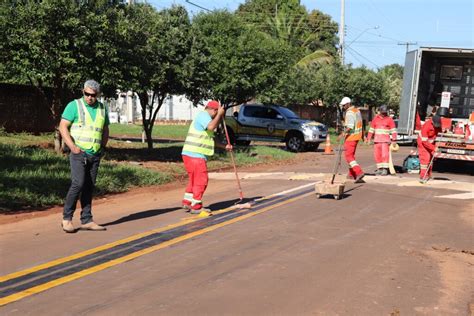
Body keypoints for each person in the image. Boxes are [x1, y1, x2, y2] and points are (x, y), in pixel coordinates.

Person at [59, 80, 109, 233]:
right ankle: (66, 218)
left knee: (89, 186)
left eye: (93, 95)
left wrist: (102, 146)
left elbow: (105, 129)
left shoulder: (102, 108)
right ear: (83, 92)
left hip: (94, 154)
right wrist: (72, 147)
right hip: (79, 153)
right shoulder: (74, 105)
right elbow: (62, 126)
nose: (89, 98)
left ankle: (87, 219)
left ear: (98, 95)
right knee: (78, 184)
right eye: (86, 94)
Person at [181, 100, 232, 215]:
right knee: (201, 180)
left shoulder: (206, 119)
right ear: (214, 110)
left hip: (191, 154)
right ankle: (196, 206)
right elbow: (211, 127)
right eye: (217, 112)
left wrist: (225, 146)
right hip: (195, 155)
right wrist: (220, 114)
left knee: (194, 179)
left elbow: (212, 139)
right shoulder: (204, 116)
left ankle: (187, 201)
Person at [366, 105, 397, 176]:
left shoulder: (389, 119)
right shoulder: (375, 119)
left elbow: (393, 131)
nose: (384, 114)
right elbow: (371, 130)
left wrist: (394, 140)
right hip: (377, 141)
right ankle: (380, 169)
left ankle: (385, 169)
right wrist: (368, 139)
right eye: (383, 112)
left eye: (385, 112)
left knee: (385, 155)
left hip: (385, 141)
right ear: (380, 111)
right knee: (377, 155)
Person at [339, 97, 365, 182]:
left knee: (348, 156)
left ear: (347, 104)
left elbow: (350, 127)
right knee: (351, 156)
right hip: (357, 136)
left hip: (351, 137)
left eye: (343, 105)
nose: (343, 107)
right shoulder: (357, 110)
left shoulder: (349, 113)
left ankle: (359, 172)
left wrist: (342, 134)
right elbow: (361, 123)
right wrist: (362, 135)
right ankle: (351, 174)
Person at [417, 115, 442, 183]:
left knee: (430, 159)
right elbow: (424, 141)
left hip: (430, 143)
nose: (436, 126)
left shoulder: (438, 123)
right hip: (423, 143)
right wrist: (433, 148)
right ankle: (423, 176)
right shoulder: (427, 126)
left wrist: (444, 131)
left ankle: (428, 175)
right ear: (432, 122)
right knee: (425, 159)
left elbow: (440, 129)